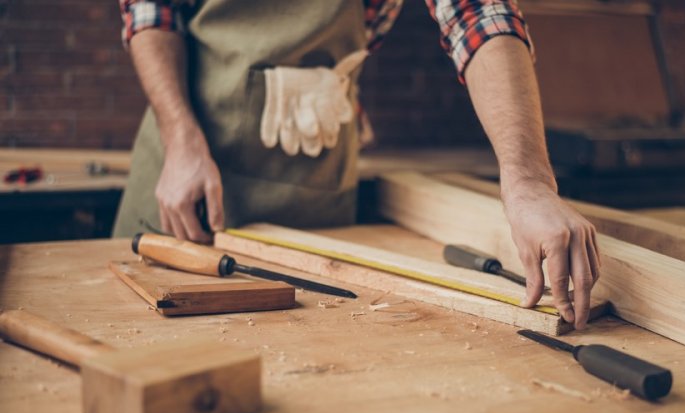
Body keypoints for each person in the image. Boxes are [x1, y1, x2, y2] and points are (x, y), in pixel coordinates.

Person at [113, 0, 600, 330]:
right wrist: (179, 134)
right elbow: (152, 12)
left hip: (315, 174)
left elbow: (480, 14)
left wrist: (530, 183)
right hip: (185, 167)